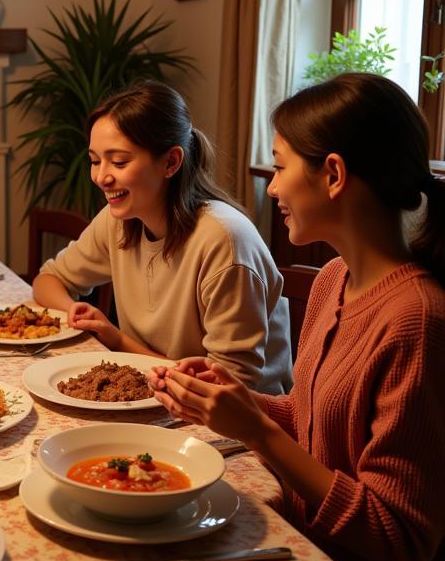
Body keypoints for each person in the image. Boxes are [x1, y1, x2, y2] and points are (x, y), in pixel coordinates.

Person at [152, 73, 445, 561]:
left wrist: (256, 430)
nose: (272, 187)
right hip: (307, 543)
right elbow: (317, 423)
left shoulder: (418, 320)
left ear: (333, 175)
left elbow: (398, 537)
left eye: (280, 166)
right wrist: (236, 402)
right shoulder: (334, 279)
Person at [32, 81, 292, 392]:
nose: (101, 177)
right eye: (94, 160)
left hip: (236, 425)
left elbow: (230, 387)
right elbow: (48, 280)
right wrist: (73, 310)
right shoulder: (120, 220)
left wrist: (118, 340)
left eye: (119, 161)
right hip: (153, 394)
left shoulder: (224, 240)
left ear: (170, 162)